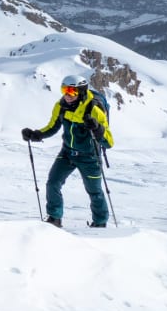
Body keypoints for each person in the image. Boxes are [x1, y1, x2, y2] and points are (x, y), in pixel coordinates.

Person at [22, 74, 113, 228]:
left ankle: (100, 223)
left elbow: (109, 141)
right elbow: (52, 127)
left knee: (95, 192)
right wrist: (35, 134)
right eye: (64, 90)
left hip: (89, 156)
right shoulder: (61, 105)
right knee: (53, 183)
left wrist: (97, 127)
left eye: (72, 91)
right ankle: (54, 219)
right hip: (67, 153)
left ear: (81, 91)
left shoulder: (94, 108)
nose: (67, 95)